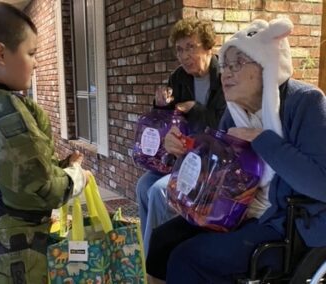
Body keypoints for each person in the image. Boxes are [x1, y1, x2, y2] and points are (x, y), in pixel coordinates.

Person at [145, 17, 326, 283]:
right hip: (235, 213)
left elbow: (321, 183)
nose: (226, 73)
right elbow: (214, 176)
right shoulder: (234, 115)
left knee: (188, 258)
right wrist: (185, 154)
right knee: (162, 240)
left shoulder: (306, 104)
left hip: (283, 227)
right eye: (225, 65)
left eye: (237, 64)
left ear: (266, 65)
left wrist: (262, 139)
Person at [0, 2, 90, 283]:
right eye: (31, 53)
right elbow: (38, 189)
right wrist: (75, 177)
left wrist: (58, 165)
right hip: (15, 252)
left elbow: (13, 169)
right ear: (0, 54)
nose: (36, 62)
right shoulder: (2, 109)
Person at [136, 17, 225, 255]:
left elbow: (224, 125)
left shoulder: (225, 77)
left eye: (190, 47)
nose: (184, 56)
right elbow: (167, 120)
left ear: (208, 46)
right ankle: (151, 253)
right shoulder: (178, 77)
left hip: (213, 164)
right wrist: (160, 105)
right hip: (184, 157)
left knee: (159, 191)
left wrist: (195, 108)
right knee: (143, 184)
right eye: (179, 50)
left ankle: (155, 263)